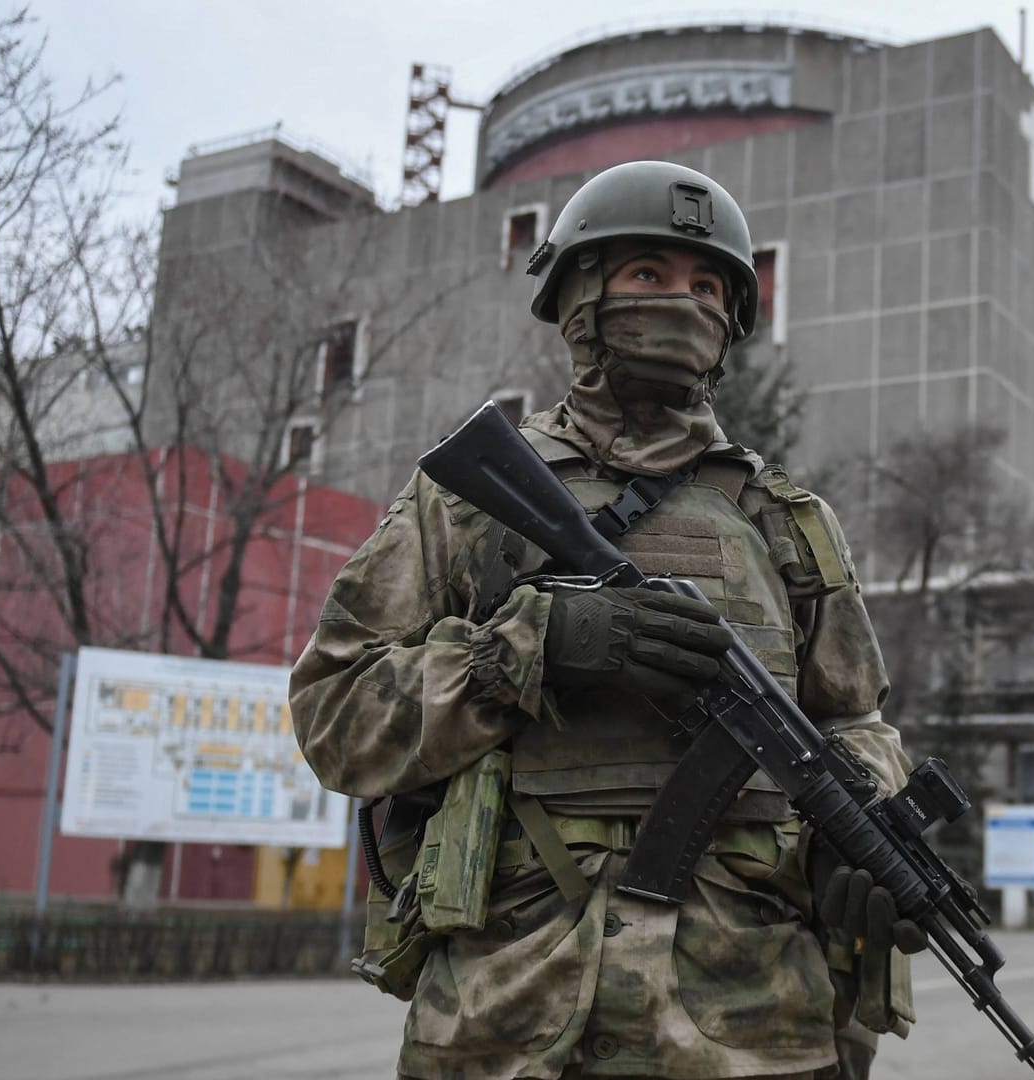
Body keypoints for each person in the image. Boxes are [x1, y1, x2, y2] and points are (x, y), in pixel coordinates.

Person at [289, 160, 920, 1080]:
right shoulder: (470, 501)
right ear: (581, 295)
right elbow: (335, 715)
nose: (683, 302)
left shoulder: (786, 522)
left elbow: (856, 722)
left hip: (752, 1024)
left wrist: (860, 831)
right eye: (650, 276)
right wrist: (531, 650)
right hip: (507, 1012)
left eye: (708, 286)